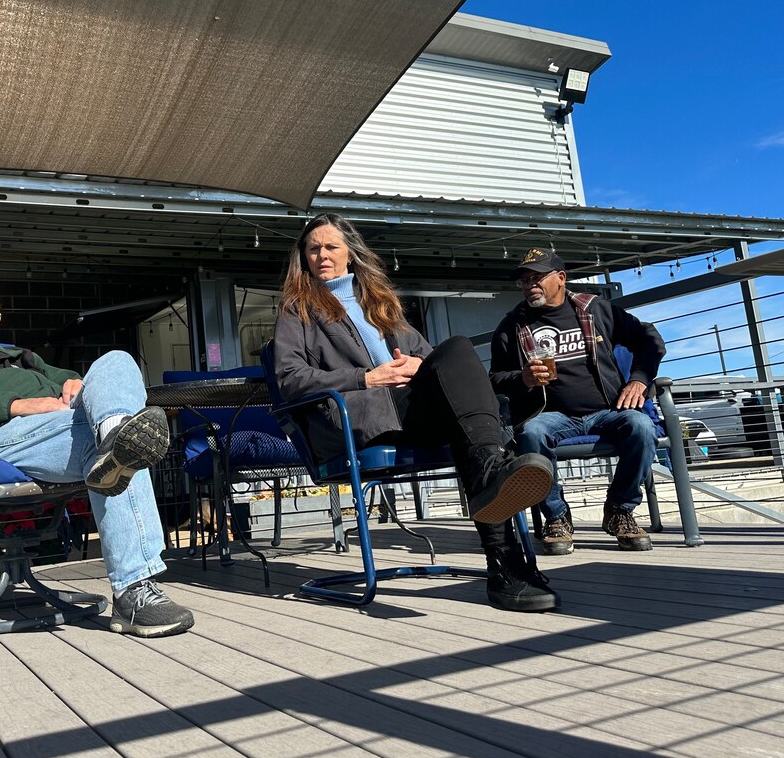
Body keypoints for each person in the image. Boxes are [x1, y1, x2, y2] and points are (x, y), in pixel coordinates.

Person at [272, 214, 558, 612]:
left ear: (350, 255)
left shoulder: (380, 303)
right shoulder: (296, 309)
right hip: (359, 417)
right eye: (313, 248)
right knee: (474, 437)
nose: (322, 254)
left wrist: (418, 367)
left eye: (331, 246)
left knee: (457, 352)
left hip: (409, 411)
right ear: (303, 257)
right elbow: (289, 378)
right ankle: (507, 564)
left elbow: (429, 359)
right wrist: (365, 378)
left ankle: (497, 509)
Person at [0, 278, 194, 638]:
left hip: (58, 434)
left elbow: (66, 377)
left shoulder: (21, 357)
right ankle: (133, 589)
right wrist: (18, 406)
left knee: (117, 361)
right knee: (113, 443)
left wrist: (74, 383)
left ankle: (114, 434)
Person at [490, 247, 667, 555]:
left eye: (537, 277)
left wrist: (639, 378)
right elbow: (494, 378)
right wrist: (522, 379)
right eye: (524, 280)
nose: (529, 285)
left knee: (641, 426)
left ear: (560, 278)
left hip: (608, 411)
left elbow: (649, 339)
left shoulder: (596, 309)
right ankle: (557, 517)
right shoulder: (513, 325)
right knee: (530, 433)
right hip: (551, 414)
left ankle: (620, 509)